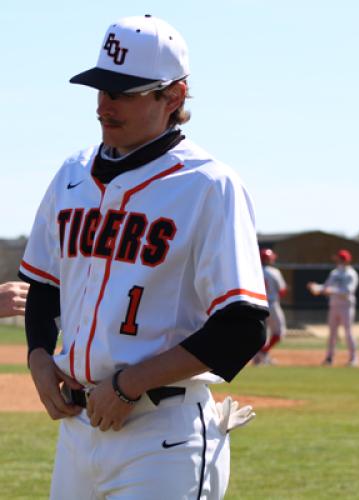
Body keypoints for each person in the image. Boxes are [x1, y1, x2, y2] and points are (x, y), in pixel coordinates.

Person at [19, 15, 268, 500]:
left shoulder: (208, 185)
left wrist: (131, 383)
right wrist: (37, 357)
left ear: (172, 97)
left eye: (125, 91)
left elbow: (242, 326)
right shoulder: (72, 173)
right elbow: (43, 286)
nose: (104, 104)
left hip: (164, 434)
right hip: (78, 429)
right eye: (101, 88)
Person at [307, 249, 359, 367]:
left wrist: (330, 291)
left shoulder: (351, 274)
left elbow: (348, 291)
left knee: (348, 332)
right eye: (340, 259)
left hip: (346, 306)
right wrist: (316, 287)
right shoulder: (334, 273)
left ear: (347, 260)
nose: (341, 261)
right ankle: (329, 358)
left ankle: (354, 358)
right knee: (332, 334)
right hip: (334, 305)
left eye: (343, 259)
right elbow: (326, 287)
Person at [253, 248, 287, 365]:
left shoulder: (254, 271)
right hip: (272, 304)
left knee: (263, 333)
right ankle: (263, 353)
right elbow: (282, 290)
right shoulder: (274, 272)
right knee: (279, 333)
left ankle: (261, 358)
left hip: (257, 304)